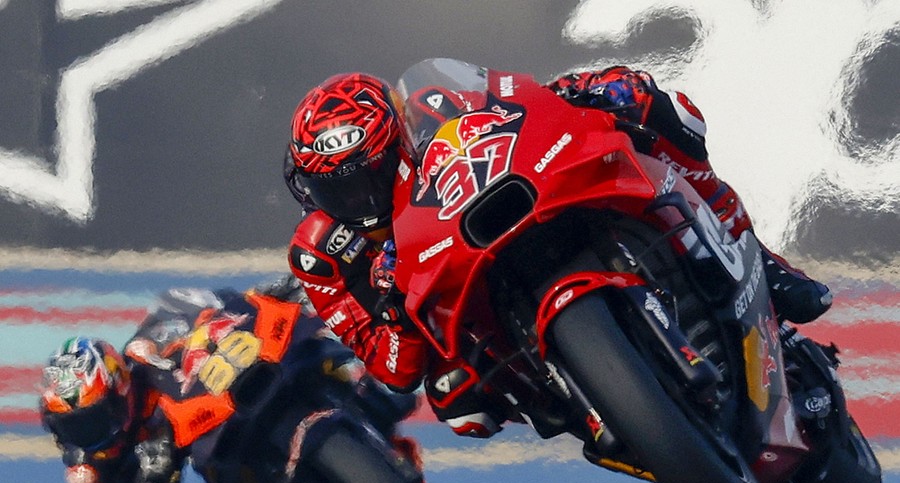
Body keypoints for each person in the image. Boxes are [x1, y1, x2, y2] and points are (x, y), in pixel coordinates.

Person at [283, 66, 833, 439]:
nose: (355, 202)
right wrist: (393, 308)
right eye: (334, 191)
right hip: (455, 317)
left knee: (648, 102)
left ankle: (758, 257)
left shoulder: (429, 106)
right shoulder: (319, 254)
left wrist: (580, 91)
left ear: (396, 145)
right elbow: (392, 371)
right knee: (458, 402)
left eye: (366, 181)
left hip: (487, 216)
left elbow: (502, 98)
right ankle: (596, 407)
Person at [39, 277, 427, 483]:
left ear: (118, 388)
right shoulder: (88, 459)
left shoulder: (149, 353)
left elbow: (207, 304)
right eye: (75, 423)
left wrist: (252, 309)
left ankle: (375, 413)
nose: (87, 431)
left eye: (93, 417)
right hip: (220, 437)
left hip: (243, 367)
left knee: (361, 374)